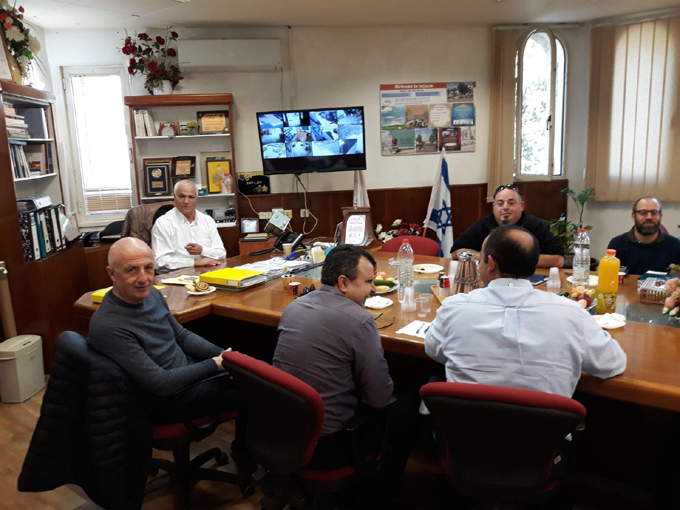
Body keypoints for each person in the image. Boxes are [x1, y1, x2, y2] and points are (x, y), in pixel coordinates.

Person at [273, 245, 420, 501]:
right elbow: (379, 399)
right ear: (343, 283)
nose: (373, 289)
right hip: (328, 446)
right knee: (410, 407)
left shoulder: (294, 307)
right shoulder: (359, 320)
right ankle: (381, 496)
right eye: (369, 282)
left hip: (284, 432)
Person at [427, 225, 627, 398]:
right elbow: (613, 363)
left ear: (491, 263)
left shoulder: (454, 308)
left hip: (465, 428)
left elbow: (433, 350)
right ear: (533, 265)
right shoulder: (571, 314)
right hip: (546, 430)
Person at [88, 237, 244, 429]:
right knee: (255, 391)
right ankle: (244, 446)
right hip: (168, 399)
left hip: (186, 376)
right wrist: (215, 364)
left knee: (251, 373)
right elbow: (160, 383)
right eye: (132, 270)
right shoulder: (109, 325)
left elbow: (181, 336)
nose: (143, 279)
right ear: (112, 274)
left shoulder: (152, 294)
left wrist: (225, 356)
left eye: (148, 268)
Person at [451, 184, 565, 268]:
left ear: (522, 206)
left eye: (511, 203)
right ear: (494, 207)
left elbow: (558, 260)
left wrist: (514, 260)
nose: (505, 207)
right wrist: (484, 256)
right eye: (500, 204)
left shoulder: (537, 226)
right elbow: (456, 252)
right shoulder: (484, 224)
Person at [151, 179, 226, 270]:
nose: (186, 201)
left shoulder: (208, 221)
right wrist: (194, 262)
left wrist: (202, 250)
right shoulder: (163, 223)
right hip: (174, 274)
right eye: (182, 196)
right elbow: (159, 261)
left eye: (191, 197)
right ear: (174, 197)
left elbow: (222, 254)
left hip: (206, 271)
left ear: (196, 199)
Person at [607, 196, 680, 275]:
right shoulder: (618, 244)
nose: (649, 217)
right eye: (643, 212)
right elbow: (609, 277)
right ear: (633, 216)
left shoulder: (676, 245)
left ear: (660, 216)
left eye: (654, 212)